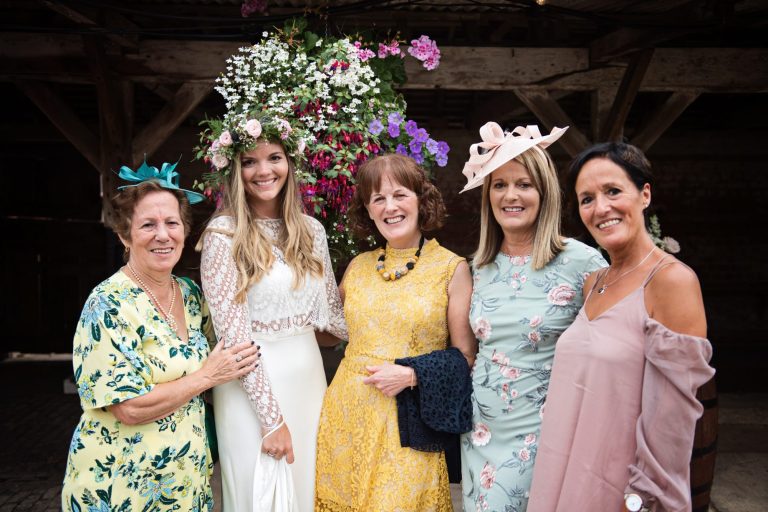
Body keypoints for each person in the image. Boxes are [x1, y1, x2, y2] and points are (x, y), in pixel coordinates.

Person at [527, 142, 715, 512]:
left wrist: (641, 501)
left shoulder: (671, 282)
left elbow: (672, 423)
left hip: (617, 489)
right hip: (561, 474)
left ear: (644, 194)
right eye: (586, 199)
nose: (601, 208)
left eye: (613, 191)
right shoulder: (593, 282)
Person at [62, 162, 260, 512]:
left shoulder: (190, 294)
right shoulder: (108, 303)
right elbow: (129, 407)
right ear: (125, 235)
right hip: (121, 485)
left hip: (185, 483)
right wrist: (207, 377)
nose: (163, 235)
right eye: (148, 225)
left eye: (172, 223)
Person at [457, 123, 607, 511]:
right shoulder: (478, 267)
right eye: (499, 184)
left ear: (545, 193)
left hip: (545, 430)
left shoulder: (582, 262)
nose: (511, 195)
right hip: (481, 430)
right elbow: (468, 352)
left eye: (524, 184)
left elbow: (606, 354)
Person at [314, 153, 476, 511]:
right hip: (346, 416)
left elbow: (465, 356)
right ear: (368, 211)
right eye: (378, 199)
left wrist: (413, 374)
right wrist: (289, 319)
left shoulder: (451, 268)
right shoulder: (358, 267)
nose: (390, 207)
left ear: (421, 199)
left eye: (400, 194)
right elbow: (332, 334)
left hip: (409, 423)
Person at [198, 122, 347, 511]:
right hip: (251, 387)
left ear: (290, 164)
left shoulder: (312, 231)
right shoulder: (222, 234)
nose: (264, 171)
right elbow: (233, 338)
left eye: (274, 158)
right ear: (235, 170)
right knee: (258, 496)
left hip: (309, 379)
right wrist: (272, 420)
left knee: (307, 492)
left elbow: (333, 319)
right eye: (250, 161)